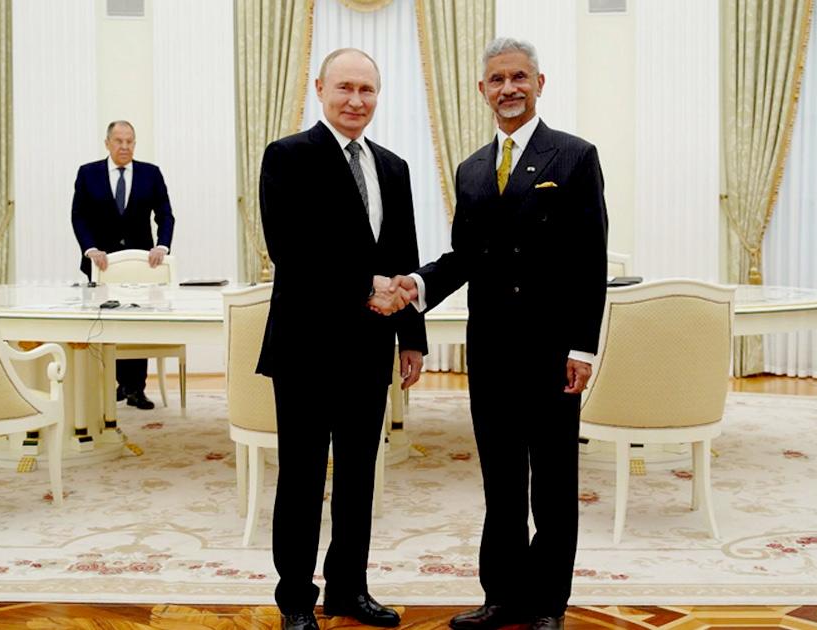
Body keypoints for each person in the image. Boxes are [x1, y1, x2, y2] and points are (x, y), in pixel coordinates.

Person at [390, 38, 608, 630]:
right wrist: (416, 284)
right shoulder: (471, 170)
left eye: (519, 77)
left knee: (553, 484)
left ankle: (547, 604)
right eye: (497, 80)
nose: (508, 88)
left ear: (540, 83)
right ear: (482, 89)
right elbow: (465, 257)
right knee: (501, 481)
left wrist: (583, 347)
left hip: (552, 352)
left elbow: (590, 260)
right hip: (490, 351)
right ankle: (501, 597)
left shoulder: (575, 156)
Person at [256, 48, 427, 630]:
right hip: (305, 347)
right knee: (302, 478)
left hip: (369, 348)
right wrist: (364, 285)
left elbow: (404, 255)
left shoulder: (394, 167)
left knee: (359, 477)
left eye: (367, 90)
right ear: (319, 88)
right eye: (345, 88)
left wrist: (412, 337)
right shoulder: (287, 156)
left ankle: (349, 589)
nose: (356, 100)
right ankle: (295, 600)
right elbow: (290, 250)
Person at [71, 120, 175, 410]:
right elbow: (79, 215)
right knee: (107, 323)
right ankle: (115, 384)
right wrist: (90, 249)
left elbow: (165, 215)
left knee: (137, 323)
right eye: (119, 141)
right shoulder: (88, 173)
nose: (125, 146)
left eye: (130, 141)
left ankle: (136, 388)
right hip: (100, 264)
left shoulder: (150, 173)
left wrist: (162, 246)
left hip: (141, 265)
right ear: (107, 143)